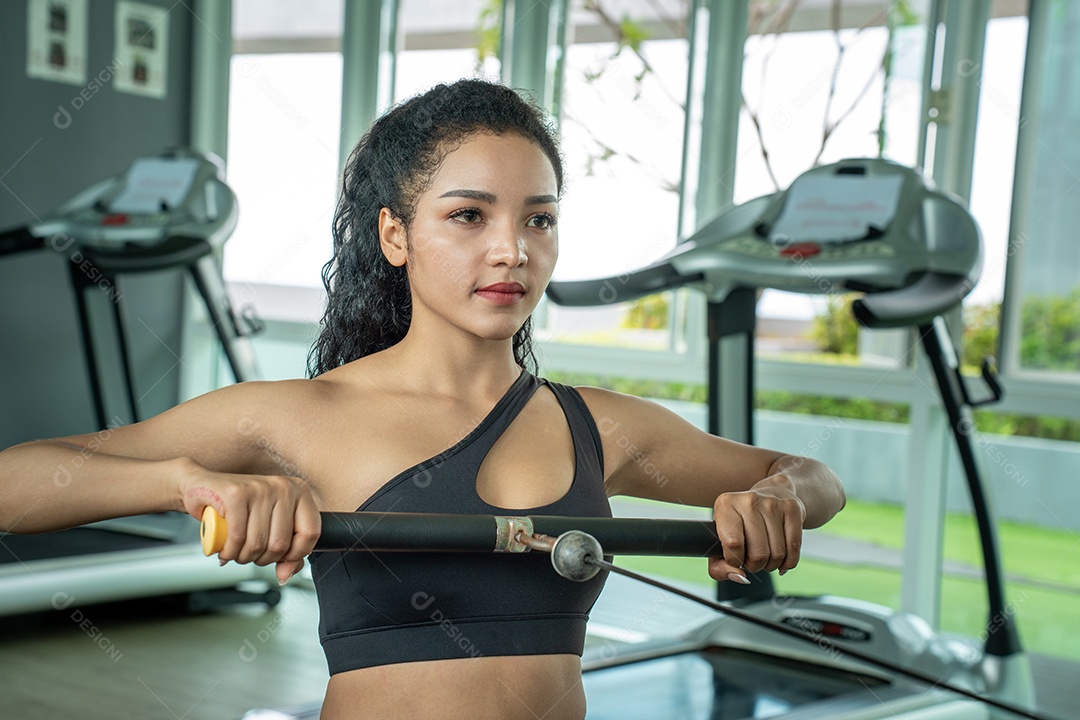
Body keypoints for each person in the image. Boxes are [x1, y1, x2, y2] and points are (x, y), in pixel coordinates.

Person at [0, 78, 845, 720]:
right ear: (395, 235)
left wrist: (779, 497)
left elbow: (812, 477)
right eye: (469, 216)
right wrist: (186, 483)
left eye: (539, 220)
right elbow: (18, 484)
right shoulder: (306, 417)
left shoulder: (598, 424)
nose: (512, 249)